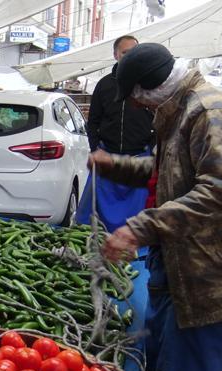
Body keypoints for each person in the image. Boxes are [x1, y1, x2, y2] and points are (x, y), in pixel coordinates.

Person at [90, 43, 222, 371]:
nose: (136, 106)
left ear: (150, 88)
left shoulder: (210, 111)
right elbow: (167, 173)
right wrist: (113, 164)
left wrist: (139, 228)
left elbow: (220, 192)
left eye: (136, 98)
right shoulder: (181, 111)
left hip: (208, 278)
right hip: (179, 270)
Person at [75, 35, 154, 232]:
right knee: (91, 222)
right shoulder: (104, 85)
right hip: (106, 160)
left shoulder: (148, 84)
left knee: (137, 225)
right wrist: (95, 148)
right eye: (125, 52)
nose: (129, 57)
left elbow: (158, 122)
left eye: (133, 53)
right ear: (116, 54)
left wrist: (152, 150)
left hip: (138, 162)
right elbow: (93, 121)